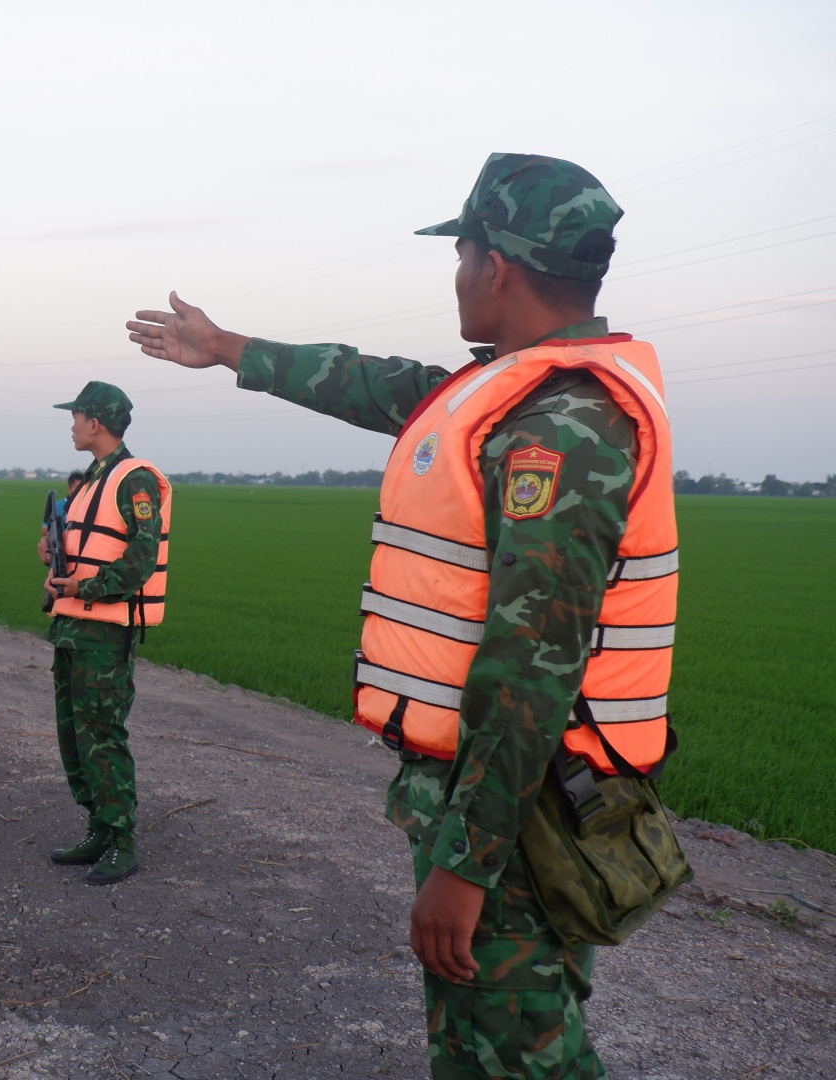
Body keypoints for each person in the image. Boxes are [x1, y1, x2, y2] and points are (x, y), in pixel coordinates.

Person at [125, 153, 678, 1078]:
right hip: (493, 798)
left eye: (460, 254)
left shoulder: (563, 426)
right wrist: (230, 350)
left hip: (517, 816)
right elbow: (372, 383)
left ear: (493, 265)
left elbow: (533, 663)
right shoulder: (513, 392)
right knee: (476, 1042)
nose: (456, 276)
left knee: (515, 1053)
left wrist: (466, 865)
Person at [36, 382, 171, 886]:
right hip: (72, 626)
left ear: (95, 422)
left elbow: (141, 557)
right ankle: (97, 827)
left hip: (103, 631)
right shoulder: (91, 480)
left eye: (74, 417)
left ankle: (122, 841)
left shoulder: (132, 480)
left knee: (103, 735)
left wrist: (87, 584)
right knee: (74, 735)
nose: (70, 425)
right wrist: (52, 556)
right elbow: (84, 544)